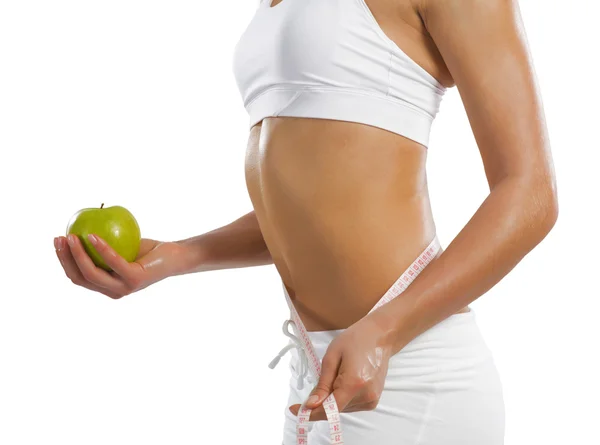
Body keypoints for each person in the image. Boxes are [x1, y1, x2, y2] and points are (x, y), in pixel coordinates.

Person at [53, 0, 558, 443]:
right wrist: (178, 256)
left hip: (409, 375)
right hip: (320, 375)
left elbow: (531, 192)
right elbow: (322, 201)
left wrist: (384, 333)